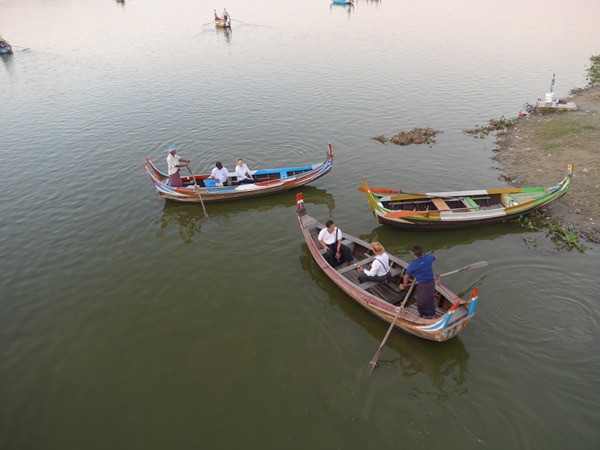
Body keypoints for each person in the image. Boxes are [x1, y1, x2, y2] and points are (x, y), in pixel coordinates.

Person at [399, 245, 437, 318]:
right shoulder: (428, 257)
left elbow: (406, 277)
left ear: (413, 253)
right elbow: (435, 257)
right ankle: (432, 315)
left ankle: (422, 316)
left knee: (420, 302)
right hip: (432, 283)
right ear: (422, 252)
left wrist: (403, 286)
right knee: (430, 298)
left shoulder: (413, 265)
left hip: (423, 285)